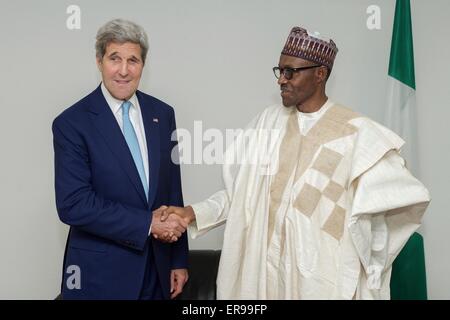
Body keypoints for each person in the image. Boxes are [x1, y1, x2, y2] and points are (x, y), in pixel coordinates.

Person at [159, 26, 430, 299]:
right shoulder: (269, 123)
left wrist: (364, 244)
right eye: (279, 71)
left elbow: (403, 202)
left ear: (320, 74)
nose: (281, 80)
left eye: (291, 72)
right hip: (265, 274)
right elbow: (241, 196)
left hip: (319, 279)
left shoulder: (356, 134)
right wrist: (191, 212)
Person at [52, 19, 189, 300]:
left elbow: (172, 190)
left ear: (143, 65)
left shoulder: (163, 114)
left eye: (133, 60)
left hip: (158, 269)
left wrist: (178, 259)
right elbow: (74, 205)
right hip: (101, 275)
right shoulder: (71, 123)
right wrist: (148, 223)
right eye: (115, 59)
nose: (124, 71)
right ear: (99, 61)